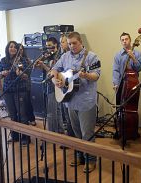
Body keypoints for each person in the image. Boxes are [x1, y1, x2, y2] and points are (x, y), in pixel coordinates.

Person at [50, 32, 100, 173]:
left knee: (87, 133)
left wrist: (86, 75)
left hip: (86, 101)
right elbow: (54, 70)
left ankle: (91, 160)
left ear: (81, 42)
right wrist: (55, 79)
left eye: (74, 43)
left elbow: (96, 76)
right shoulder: (65, 56)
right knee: (76, 132)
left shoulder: (91, 57)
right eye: (69, 43)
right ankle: (80, 156)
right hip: (70, 101)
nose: (71, 46)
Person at [0, 41, 32, 145]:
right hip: (8, 90)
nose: (12, 48)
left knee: (22, 115)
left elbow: (27, 76)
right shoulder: (3, 60)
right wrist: (1, 73)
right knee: (12, 115)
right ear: (7, 49)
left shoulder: (23, 60)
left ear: (17, 49)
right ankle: (15, 136)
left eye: (14, 47)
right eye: (10, 47)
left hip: (20, 90)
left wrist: (21, 74)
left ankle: (26, 137)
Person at [112, 32, 141, 140]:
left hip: (132, 84)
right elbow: (116, 71)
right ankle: (119, 130)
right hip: (121, 84)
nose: (125, 41)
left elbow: (139, 68)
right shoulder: (118, 55)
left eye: (126, 39)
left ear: (130, 40)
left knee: (132, 108)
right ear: (121, 42)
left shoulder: (137, 53)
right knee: (119, 108)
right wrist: (116, 83)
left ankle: (132, 131)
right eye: (122, 40)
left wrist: (133, 58)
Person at [35, 37, 64, 134]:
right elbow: (44, 69)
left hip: (54, 86)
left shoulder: (59, 56)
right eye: (46, 46)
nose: (48, 48)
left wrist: (43, 65)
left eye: (50, 45)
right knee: (56, 111)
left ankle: (52, 133)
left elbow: (53, 72)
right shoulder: (47, 56)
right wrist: (39, 64)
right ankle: (60, 131)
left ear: (56, 45)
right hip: (47, 85)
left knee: (52, 112)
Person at [59, 34, 75, 138]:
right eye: (61, 42)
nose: (62, 44)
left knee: (71, 116)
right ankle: (69, 137)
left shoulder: (73, 57)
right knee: (65, 114)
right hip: (64, 88)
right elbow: (57, 71)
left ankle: (71, 137)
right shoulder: (62, 56)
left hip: (73, 89)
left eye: (63, 42)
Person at [17, 43, 36, 126]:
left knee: (28, 102)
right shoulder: (15, 60)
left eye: (21, 49)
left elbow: (29, 72)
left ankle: (31, 119)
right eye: (19, 49)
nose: (20, 51)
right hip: (17, 85)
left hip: (26, 84)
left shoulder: (26, 59)